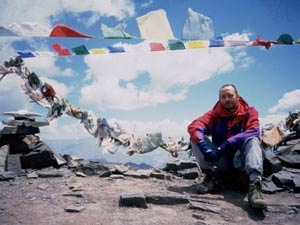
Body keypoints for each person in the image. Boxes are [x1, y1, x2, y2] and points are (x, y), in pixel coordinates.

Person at [187, 84, 267, 210]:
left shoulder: (250, 112)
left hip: (241, 160)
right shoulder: (215, 114)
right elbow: (195, 125)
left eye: (230, 96)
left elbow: (254, 131)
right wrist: (204, 146)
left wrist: (227, 144)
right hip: (222, 159)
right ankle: (211, 176)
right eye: (223, 97)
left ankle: (255, 186)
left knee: (252, 140)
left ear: (237, 96)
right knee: (195, 138)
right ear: (219, 99)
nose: (227, 99)